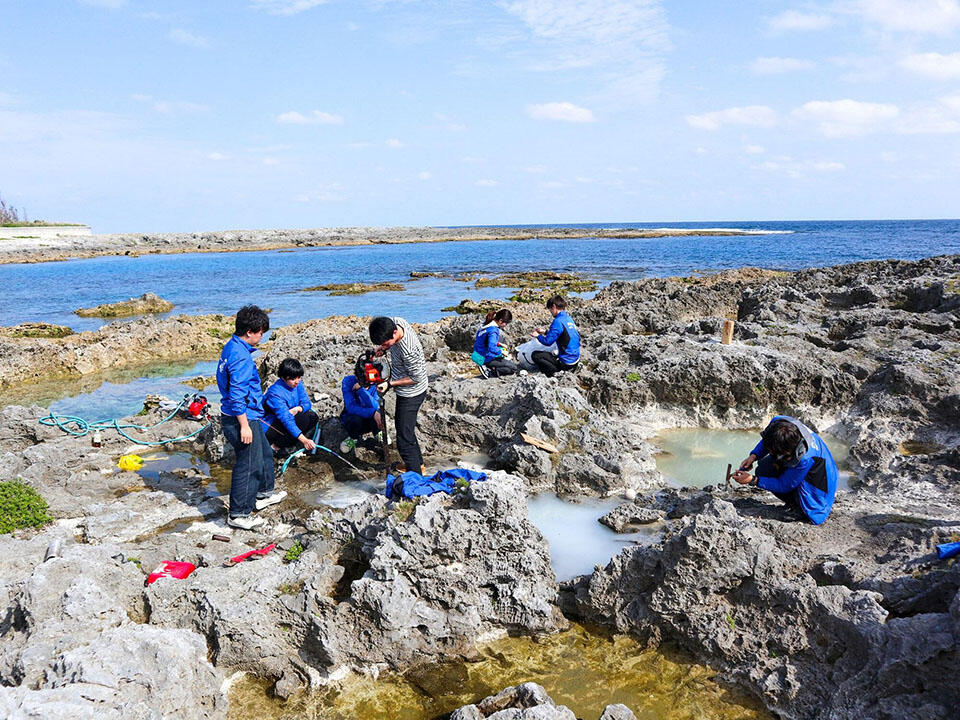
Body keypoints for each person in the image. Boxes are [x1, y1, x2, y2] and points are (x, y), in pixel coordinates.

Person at [216, 305, 286, 530]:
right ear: (249, 332)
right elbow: (237, 395)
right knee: (249, 464)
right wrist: (244, 426)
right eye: (261, 332)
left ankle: (264, 494)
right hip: (241, 417)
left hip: (249, 414)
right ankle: (239, 514)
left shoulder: (232, 347)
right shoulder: (241, 359)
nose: (262, 336)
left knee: (264, 453)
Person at [731, 415, 838, 525]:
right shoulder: (778, 423)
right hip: (808, 464)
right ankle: (794, 501)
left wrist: (753, 480)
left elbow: (784, 484)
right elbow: (767, 441)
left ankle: (798, 508)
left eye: (774, 451)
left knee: (808, 504)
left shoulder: (805, 458)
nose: (771, 452)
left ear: (788, 450)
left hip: (820, 481)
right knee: (764, 468)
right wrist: (753, 456)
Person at [369, 316, 428, 475]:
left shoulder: (409, 350)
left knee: (403, 439)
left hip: (412, 392)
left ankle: (416, 477)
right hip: (406, 387)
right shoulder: (397, 321)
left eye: (385, 343)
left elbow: (415, 378)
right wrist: (383, 348)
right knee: (407, 430)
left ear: (395, 333)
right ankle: (418, 464)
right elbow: (387, 338)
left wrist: (390, 384)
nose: (384, 346)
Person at [261, 358, 319, 455]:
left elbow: (306, 403)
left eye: (299, 377)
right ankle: (275, 447)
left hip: (290, 418)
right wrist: (304, 440)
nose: (297, 381)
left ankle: (291, 441)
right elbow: (286, 419)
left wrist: (298, 408)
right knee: (301, 420)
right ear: (283, 378)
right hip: (270, 425)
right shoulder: (275, 393)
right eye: (292, 379)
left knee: (313, 417)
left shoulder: (297, 384)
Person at [530, 295, 581, 377]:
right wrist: (545, 332)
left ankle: (553, 374)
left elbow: (547, 342)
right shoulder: (568, 318)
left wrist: (537, 336)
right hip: (575, 359)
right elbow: (563, 334)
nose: (550, 312)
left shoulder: (557, 321)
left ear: (554, 306)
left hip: (566, 363)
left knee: (535, 355)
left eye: (550, 309)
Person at [339, 371, 385, 453]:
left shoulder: (375, 383)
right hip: (353, 419)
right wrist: (372, 412)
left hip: (370, 421)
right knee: (355, 418)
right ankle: (353, 438)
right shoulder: (348, 381)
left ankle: (378, 433)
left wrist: (361, 390)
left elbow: (374, 405)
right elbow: (351, 407)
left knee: (378, 413)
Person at [472, 309, 519, 378]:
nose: (505, 325)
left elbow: (485, 340)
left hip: (478, 352)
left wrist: (499, 344)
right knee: (513, 368)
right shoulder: (493, 330)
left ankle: (491, 366)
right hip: (485, 357)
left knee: (501, 340)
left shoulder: (486, 324)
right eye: (506, 323)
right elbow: (491, 347)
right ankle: (489, 371)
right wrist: (502, 352)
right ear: (500, 321)